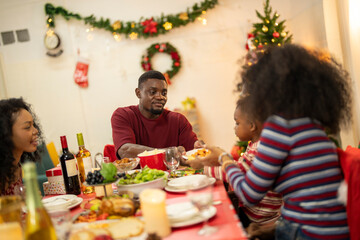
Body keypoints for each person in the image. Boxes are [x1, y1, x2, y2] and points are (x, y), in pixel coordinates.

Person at [198, 44, 352, 239]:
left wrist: (224, 158)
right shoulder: (311, 124)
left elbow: (249, 194)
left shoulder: (280, 127)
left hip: (308, 232)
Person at [187, 96, 283, 235]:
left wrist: (203, 167)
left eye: (237, 123)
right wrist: (217, 158)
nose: (234, 128)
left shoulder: (258, 150)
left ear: (251, 126)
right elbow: (241, 166)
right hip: (256, 212)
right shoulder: (257, 145)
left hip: (258, 219)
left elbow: (234, 172)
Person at [111, 70, 202, 159]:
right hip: (136, 174)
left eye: (164, 93)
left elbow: (193, 151)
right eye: (153, 92)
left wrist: (199, 147)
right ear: (138, 93)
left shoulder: (178, 120)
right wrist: (167, 152)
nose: (160, 97)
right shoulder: (123, 115)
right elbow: (125, 151)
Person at [0, 98, 42, 196]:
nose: (36, 131)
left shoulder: (16, 164)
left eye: (33, 125)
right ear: (6, 133)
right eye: (27, 127)